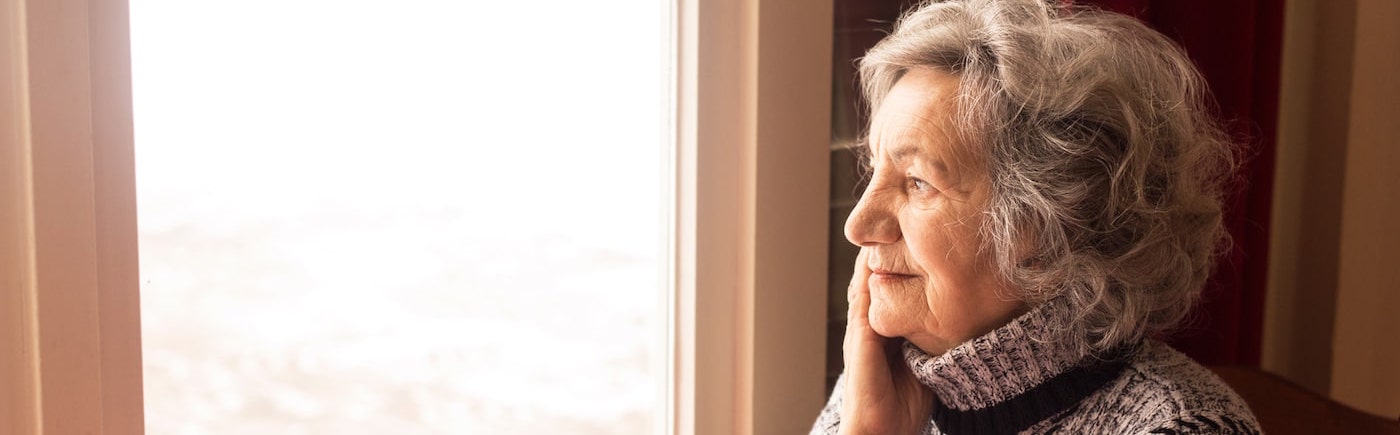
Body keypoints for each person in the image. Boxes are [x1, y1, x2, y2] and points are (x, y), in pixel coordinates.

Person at [811, 0, 1262, 434]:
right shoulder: (877, 378)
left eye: (918, 182)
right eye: (873, 168)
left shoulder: (1184, 428)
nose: (858, 225)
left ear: (1046, 225)